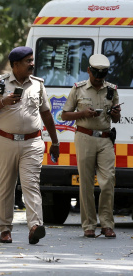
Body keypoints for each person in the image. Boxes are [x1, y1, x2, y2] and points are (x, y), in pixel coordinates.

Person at [0, 46, 60, 244]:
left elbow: (46, 115)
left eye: (32, 60)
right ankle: (5, 229)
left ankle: (35, 226)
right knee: (6, 186)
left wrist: (55, 141)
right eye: (28, 61)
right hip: (5, 141)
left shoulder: (37, 84)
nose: (32, 64)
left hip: (32, 142)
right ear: (15, 65)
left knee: (31, 184)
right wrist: (3, 102)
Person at [61, 54, 121, 239]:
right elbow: (64, 115)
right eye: (95, 74)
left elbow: (116, 118)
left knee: (108, 181)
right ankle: (89, 225)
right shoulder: (78, 89)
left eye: (102, 75)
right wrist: (82, 113)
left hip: (105, 139)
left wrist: (115, 112)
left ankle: (107, 224)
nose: (98, 78)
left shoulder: (111, 90)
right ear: (89, 71)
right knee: (86, 182)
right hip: (84, 137)